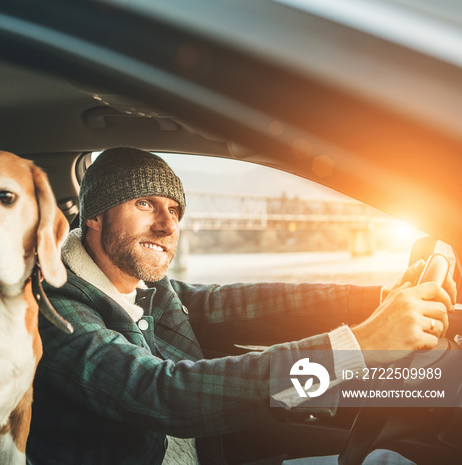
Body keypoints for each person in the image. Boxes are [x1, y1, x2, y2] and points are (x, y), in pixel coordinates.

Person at [27, 148, 455, 465]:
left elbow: (242, 303)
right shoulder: (55, 309)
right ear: (95, 216)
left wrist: (380, 299)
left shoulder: (146, 288)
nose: (168, 225)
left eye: (174, 210)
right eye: (145, 204)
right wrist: (356, 346)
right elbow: (164, 394)